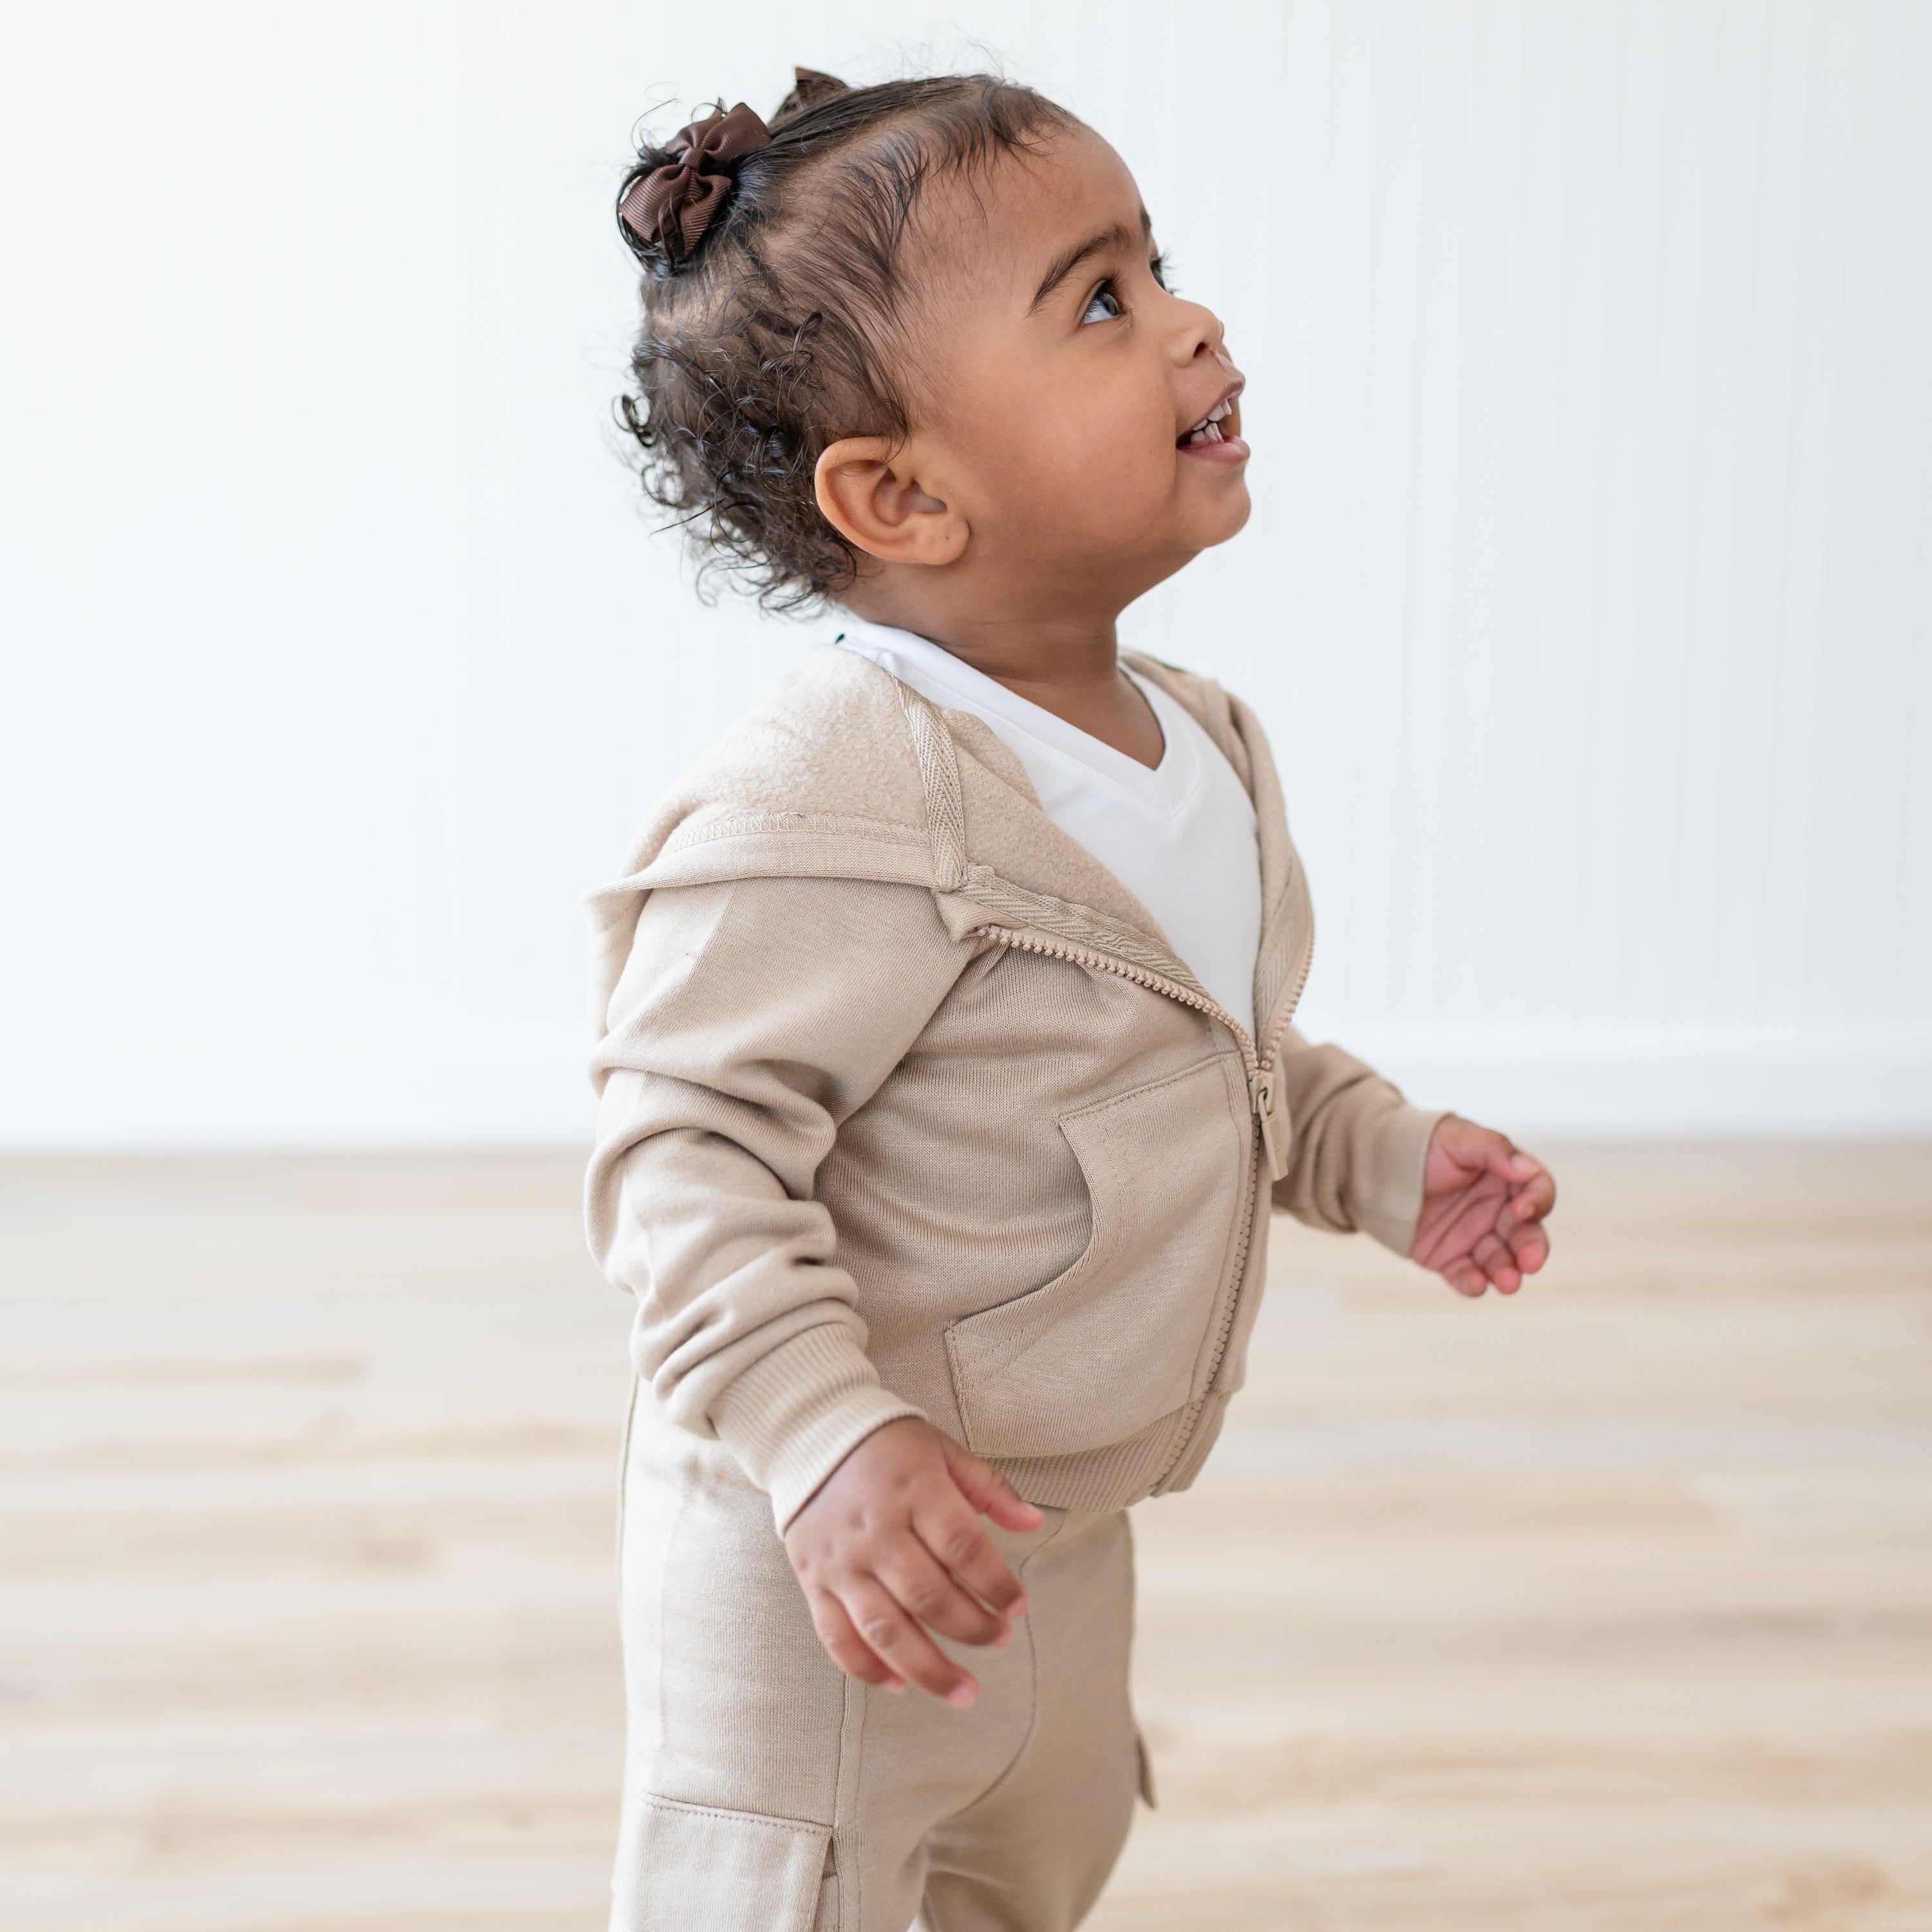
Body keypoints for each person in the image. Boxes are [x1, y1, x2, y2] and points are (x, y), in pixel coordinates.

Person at [585, 68, 1556, 1932]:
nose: (1193, 322)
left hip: (1057, 1534)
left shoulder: (1198, 746)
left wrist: (1376, 1154)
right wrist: (823, 1435)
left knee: (1029, 1873)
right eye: (1100, 302)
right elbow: (680, 1153)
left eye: (1160, 266)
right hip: (831, 1567)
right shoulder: (836, 798)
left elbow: (1213, 1055)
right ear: (901, 496)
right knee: (797, 1893)